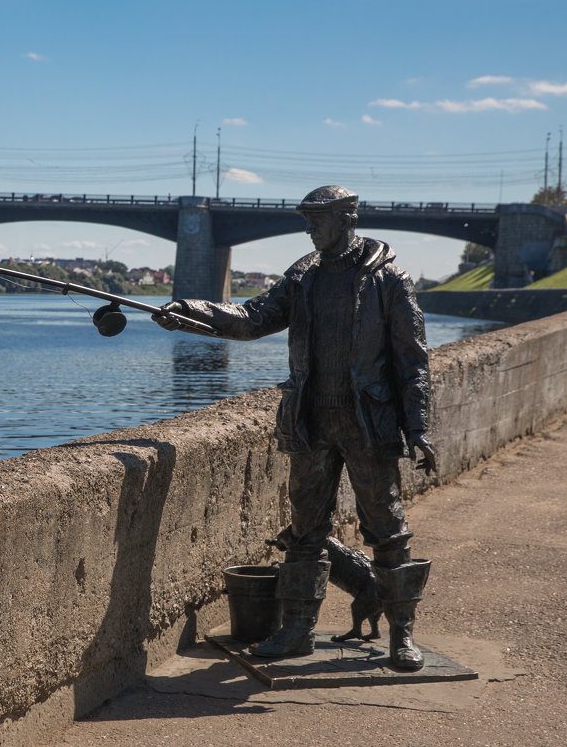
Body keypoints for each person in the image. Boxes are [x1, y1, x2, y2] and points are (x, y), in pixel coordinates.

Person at [154, 185, 437, 671]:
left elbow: (414, 362)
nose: (310, 229)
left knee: (388, 531)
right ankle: (296, 631)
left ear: (347, 218)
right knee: (306, 530)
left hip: (368, 421)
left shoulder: (389, 279)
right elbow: (252, 318)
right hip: (311, 420)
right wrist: (193, 313)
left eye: (318, 220)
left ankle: (402, 637)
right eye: (307, 221)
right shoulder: (303, 276)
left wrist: (418, 426)